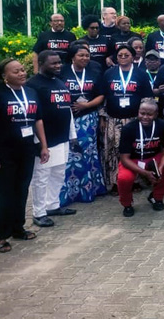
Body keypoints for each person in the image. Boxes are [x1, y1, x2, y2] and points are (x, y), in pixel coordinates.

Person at [0, 59, 49, 253]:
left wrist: (43, 146)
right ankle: (1, 235)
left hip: (27, 149)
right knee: (4, 193)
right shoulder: (0, 93)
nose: (22, 73)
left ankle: (18, 228)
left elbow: (38, 120)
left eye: (22, 70)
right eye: (16, 71)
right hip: (5, 152)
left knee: (21, 190)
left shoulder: (31, 93)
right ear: (5, 76)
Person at [27, 51, 78, 227]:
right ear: (41, 63)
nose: (58, 66)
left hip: (62, 137)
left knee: (58, 173)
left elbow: (67, 110)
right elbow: (32, 115)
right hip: (45, 141)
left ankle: (52, 205)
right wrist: (39, 142)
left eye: (59, 63)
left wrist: (73, 135)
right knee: (41, 176)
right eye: (53, 63)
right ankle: (39, 212)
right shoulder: (32, 85)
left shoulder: (59, 82)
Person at [58, 44, 106, 205]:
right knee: (70, 154)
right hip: (67, 120)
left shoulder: (94, 71)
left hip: (88, 120)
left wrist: (86, 105)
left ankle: (89, 189)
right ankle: (70, 193)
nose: (85, 58)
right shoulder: (62, 72)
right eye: (81, 55)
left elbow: (101, 95)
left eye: (87, 55)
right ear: (72, 57)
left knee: (88, 153)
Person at [101, 44, 153, 191]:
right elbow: (103, 97)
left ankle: (135, 180)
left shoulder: (141, 74)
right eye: (120, 55)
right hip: (113, 119)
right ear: (116, 58)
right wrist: (102, 118)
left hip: (134, 120)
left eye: (126, 55)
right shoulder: (109, 74)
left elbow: (147, 98)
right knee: (113, 151)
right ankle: (115, 182)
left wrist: (144, 118)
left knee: (134, 150)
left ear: (133, 57)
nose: (123, 57)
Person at [117, 98, 164, 217]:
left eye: (149, 114)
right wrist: (145, 173)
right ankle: (127, 204)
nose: (145, 117)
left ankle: (156, 197)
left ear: (156, 114)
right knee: (124, 178)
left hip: (154, 157)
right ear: (138, 112)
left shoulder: (162, 125)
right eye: (142, 113)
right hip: (133, 160)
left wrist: (160, 168)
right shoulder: (128, 128)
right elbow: (124, 158)